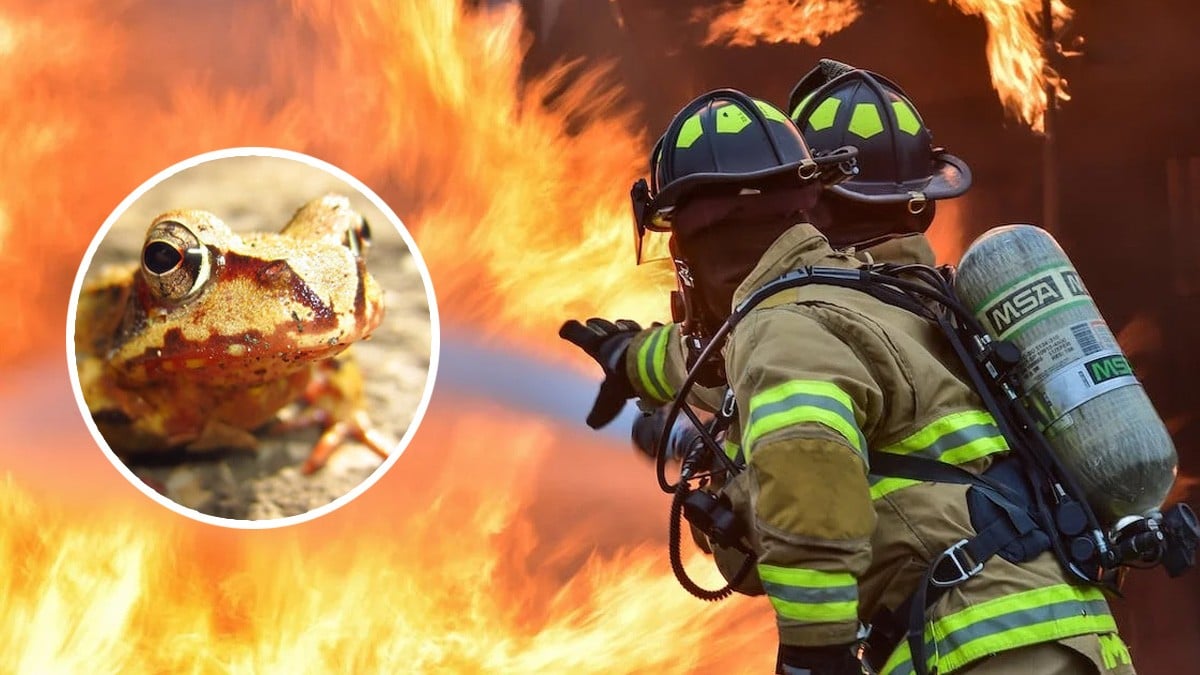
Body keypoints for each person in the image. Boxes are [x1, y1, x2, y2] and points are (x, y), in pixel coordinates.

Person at [560, 62, 1136, 675]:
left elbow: (809, 491)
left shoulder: (785, 327)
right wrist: (633, 360)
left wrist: (815, 656)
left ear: (696, 248)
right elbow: (717, 357)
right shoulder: (896, 300)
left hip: (976, 647)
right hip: (1075, 638)